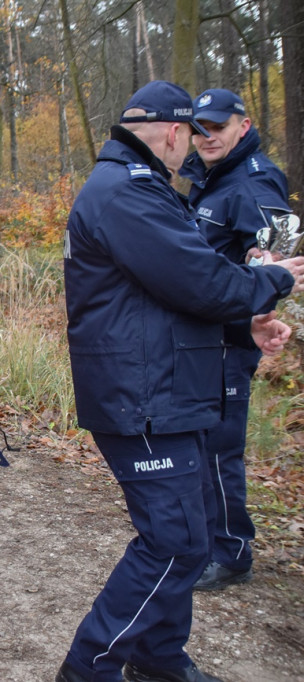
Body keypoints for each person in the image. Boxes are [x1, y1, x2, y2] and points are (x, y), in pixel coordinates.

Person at [57, 81, 304, 682]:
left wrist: (245, 328)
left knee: (185, 535)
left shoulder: (143, 190)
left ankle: (159, 659)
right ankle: (88, 669)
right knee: (174, 543)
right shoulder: (125, 193)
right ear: (172, 133)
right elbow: (200, 280)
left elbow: (166, 299)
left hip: (169, 389)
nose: (190, 147)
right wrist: (273, 281)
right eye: (188, 135)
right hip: (143, 398)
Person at [178, 88, 292, 592]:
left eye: (218, 128)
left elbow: (272, 258)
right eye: (200, 129)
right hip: (204, 336)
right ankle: (206, 540)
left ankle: (231, 551)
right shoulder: (211, 181)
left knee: (220, 448)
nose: (208, 137)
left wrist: (260, 316)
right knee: (202, 444)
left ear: (242, 126)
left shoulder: (253, 183)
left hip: (229, 337)